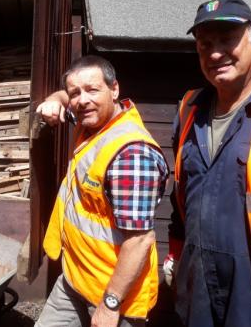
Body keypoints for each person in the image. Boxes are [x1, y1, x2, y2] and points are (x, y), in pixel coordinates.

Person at [166, 0, 251, 326]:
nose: (215, 53)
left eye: (227, 40)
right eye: (205, 44)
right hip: (198, 296)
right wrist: (175, 260)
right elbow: (181, 203)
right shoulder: (189, 110)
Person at [34, 55, 169, 327]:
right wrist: (55, 100)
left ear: (114, 89)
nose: (82, 100)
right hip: (75, 279)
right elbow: (67, 98)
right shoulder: (92, 120)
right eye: (76, 93)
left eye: (92, 89)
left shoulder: (131, 155)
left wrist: (110, 304)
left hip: (114, 296)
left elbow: (139, 241)